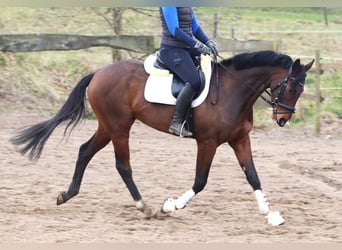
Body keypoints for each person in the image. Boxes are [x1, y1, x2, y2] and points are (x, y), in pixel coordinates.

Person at [159, 7, 219, 137]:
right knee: (194, 81)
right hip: (171, 49)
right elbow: (175, 30)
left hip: (186, 48)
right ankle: (176, 122)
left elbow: (195, 27)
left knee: (214, 69)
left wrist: (207, 41)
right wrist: (197, 45)